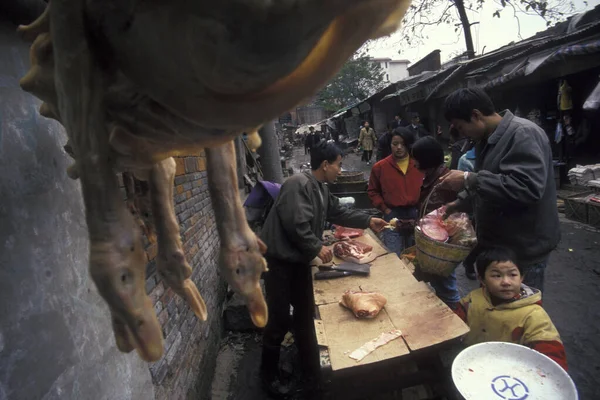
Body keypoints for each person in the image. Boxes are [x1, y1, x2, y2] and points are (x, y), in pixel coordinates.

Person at [260, 141, 387, 397]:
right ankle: (267, 376)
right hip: (279, 263)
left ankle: (310, 371)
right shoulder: (299, 184)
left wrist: (367, 220)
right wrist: (316, 247)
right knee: (279, 319)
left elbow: (338, 211)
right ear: (326, 164)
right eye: (339, 164)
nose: (340, 170)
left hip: (298, 261)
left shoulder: (320, 188)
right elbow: (296, 224)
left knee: (305, 315)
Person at [439, 87, 560, 293]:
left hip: (524, 249)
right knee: (495, 312)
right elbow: (488, 185)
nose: (462, 134)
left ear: (476, 115)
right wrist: (459, 203)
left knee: (521, 315)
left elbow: (527, 188)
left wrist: (469, 178)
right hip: (498, 247)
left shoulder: (523, 133)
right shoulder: (485, 140)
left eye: (460, 127)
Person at [454, 247, 568, 371]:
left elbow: (550, 351)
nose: (506, 282)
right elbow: (455, 320)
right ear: (482, 280)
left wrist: (551, 371)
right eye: (496, 275)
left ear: (522, 277)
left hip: (509, 373)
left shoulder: (533, 315)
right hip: (470, 362)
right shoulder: (474, 298)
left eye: (513, 274)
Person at [411, 137, 461, 307]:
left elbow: (434, 218)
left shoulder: (443, 182)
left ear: (426, 158)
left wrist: (408, 224)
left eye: (415, 158)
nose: (413, 163)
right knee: (439, 284)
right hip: (434, 244)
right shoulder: (433, 177)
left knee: (446, 287)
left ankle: (457, 322)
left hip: (441, 248)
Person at [368, 128, 423, 255]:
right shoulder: (380, 167)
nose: (399, 147)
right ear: (390, 145)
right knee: (393, 255)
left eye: (403, 144)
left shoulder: (419, 164)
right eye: (395, 144)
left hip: (415, 214)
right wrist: (385, 209)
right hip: (392, 215)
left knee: (416, 254)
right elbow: (372, 191)